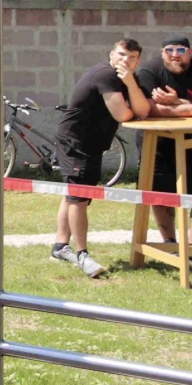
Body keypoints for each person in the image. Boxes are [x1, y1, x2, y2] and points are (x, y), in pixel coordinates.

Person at [49, 38, 151, 278]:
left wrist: (130, 84)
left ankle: (59, 246)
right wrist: (130, 94)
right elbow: (123, 113)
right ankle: (82, 254)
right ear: (111, 54)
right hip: (75, 143)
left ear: (138, 61)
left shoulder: (127, 79)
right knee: (78, 199)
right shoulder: (105, 75)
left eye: (132, 57)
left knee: (76, 195)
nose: (125, 60)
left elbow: (143, 110)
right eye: (122, 54)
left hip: (92, 145)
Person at [134, 33, 192, 264]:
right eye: (170, 50)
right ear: (162, 53)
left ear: (190, 52)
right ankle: (170, 245)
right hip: (159, 140)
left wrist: (175, 103)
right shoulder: (150, 72)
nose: (175, 55)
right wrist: (191, 108)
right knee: (160, 193)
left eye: (181, 50)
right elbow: (146, 109)